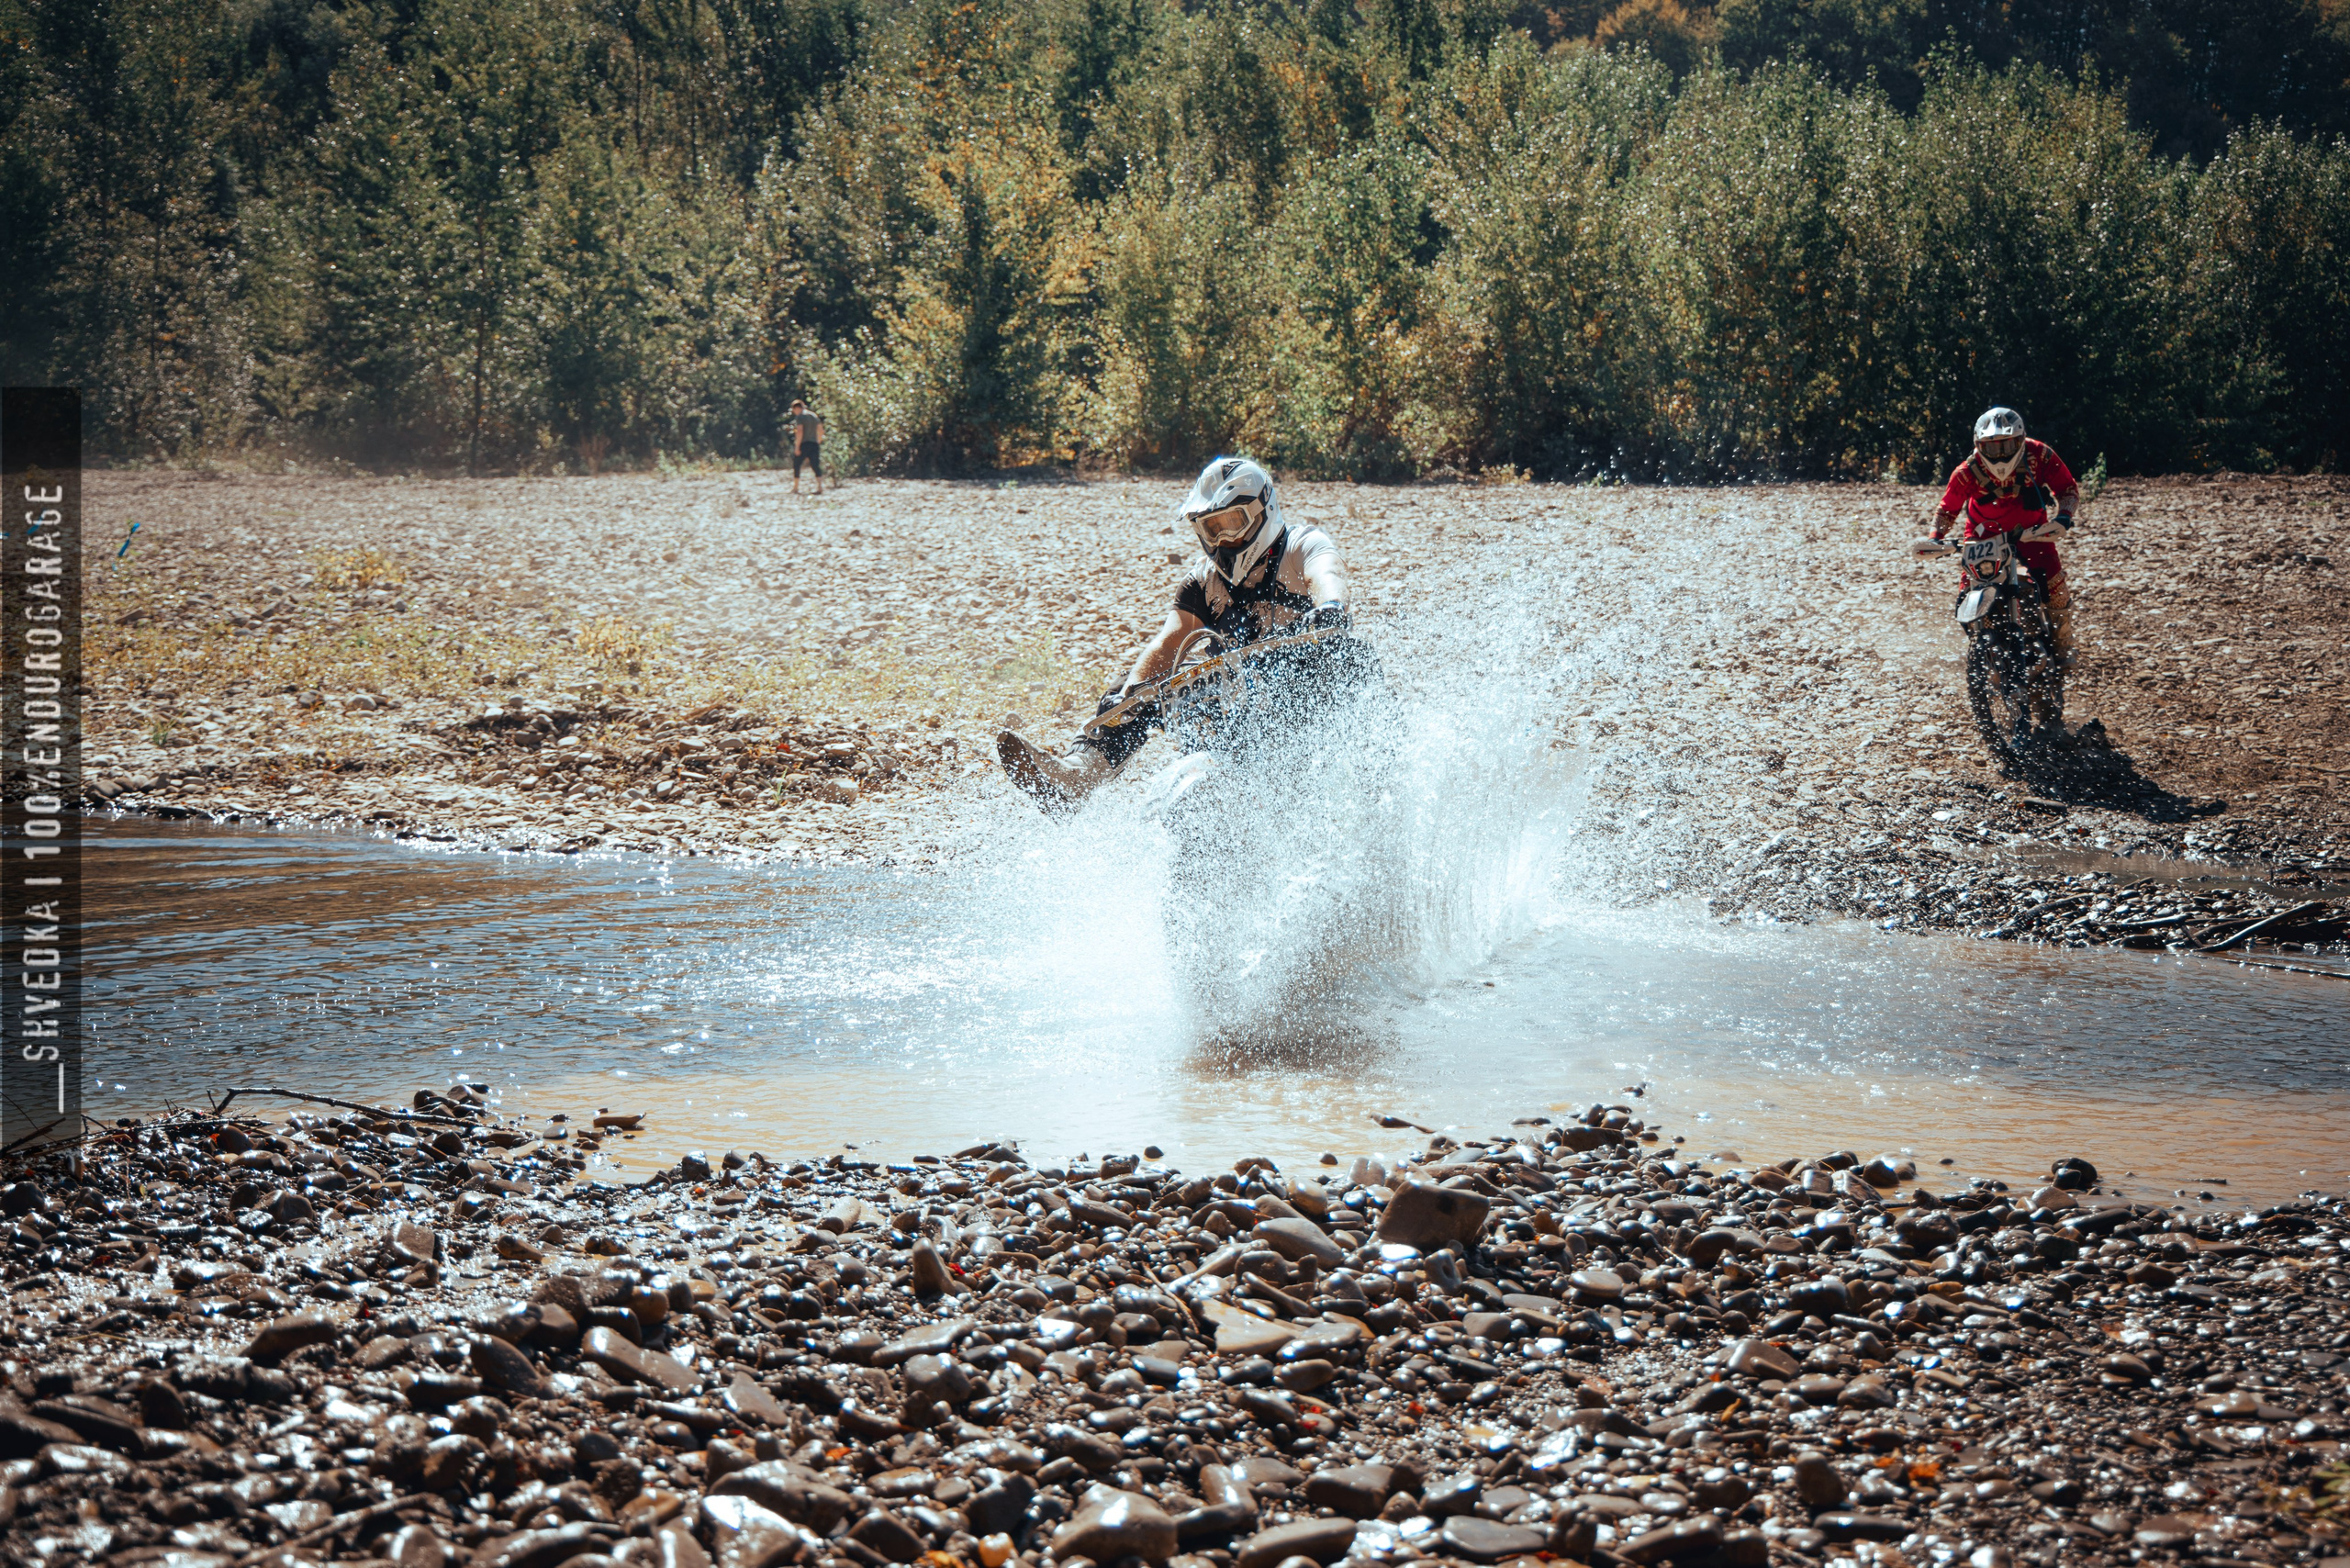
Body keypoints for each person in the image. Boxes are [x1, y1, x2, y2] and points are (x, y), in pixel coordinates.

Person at [998, 455, 1351, 812]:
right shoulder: (1203, 581)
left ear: (1265, 510)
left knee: (1351, 657)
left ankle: (1364, 778)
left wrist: (1331, 607)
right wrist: (1131, 695)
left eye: (1232, 523)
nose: (1224, 539)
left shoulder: (1301, 546)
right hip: (1242, 702)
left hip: (1317, 697)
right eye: (1212, 529)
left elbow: (1326, 573)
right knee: (1138, 685)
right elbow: (1170, 641)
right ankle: (1078, 775)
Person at [1931, 407, 2082, 665]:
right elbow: (1947, 509)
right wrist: (1936, 538)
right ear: (1978, 445)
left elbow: (2067, 488)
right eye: (1991, 448)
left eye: (2007, 445)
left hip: (2033, 534)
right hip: (1982, 539)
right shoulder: (1966, 471)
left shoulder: (2040, 455)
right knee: (1966, 597)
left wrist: (2063, 518)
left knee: (2056, 591)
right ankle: (1984, 649)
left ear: (2021, 440)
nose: (2000, 455)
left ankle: (2062, 645)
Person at [789, 399, 824, 494]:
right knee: (815, 465)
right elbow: (821, 430)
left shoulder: (800, 417)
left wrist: (797, 446)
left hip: (804, 443)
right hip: (814, 443)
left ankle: (796, 487)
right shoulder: (814, 415)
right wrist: (818, 441)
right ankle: (820, 487)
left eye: (794, 410)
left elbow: (800, 432)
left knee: (797, 464)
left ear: (797, 408)